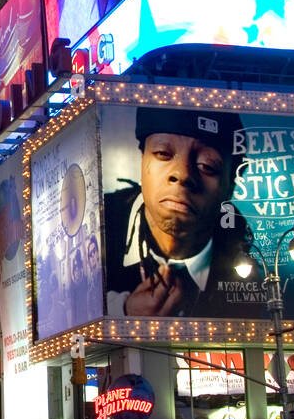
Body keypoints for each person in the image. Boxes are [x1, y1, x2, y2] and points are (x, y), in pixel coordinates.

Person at [105, 108, 250, 318]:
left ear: (231, 184)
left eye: (206, 165)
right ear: (142, 159)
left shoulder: (249, 257)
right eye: (163, 154)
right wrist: (123, 312)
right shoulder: (97, 224)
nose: (182, 174)